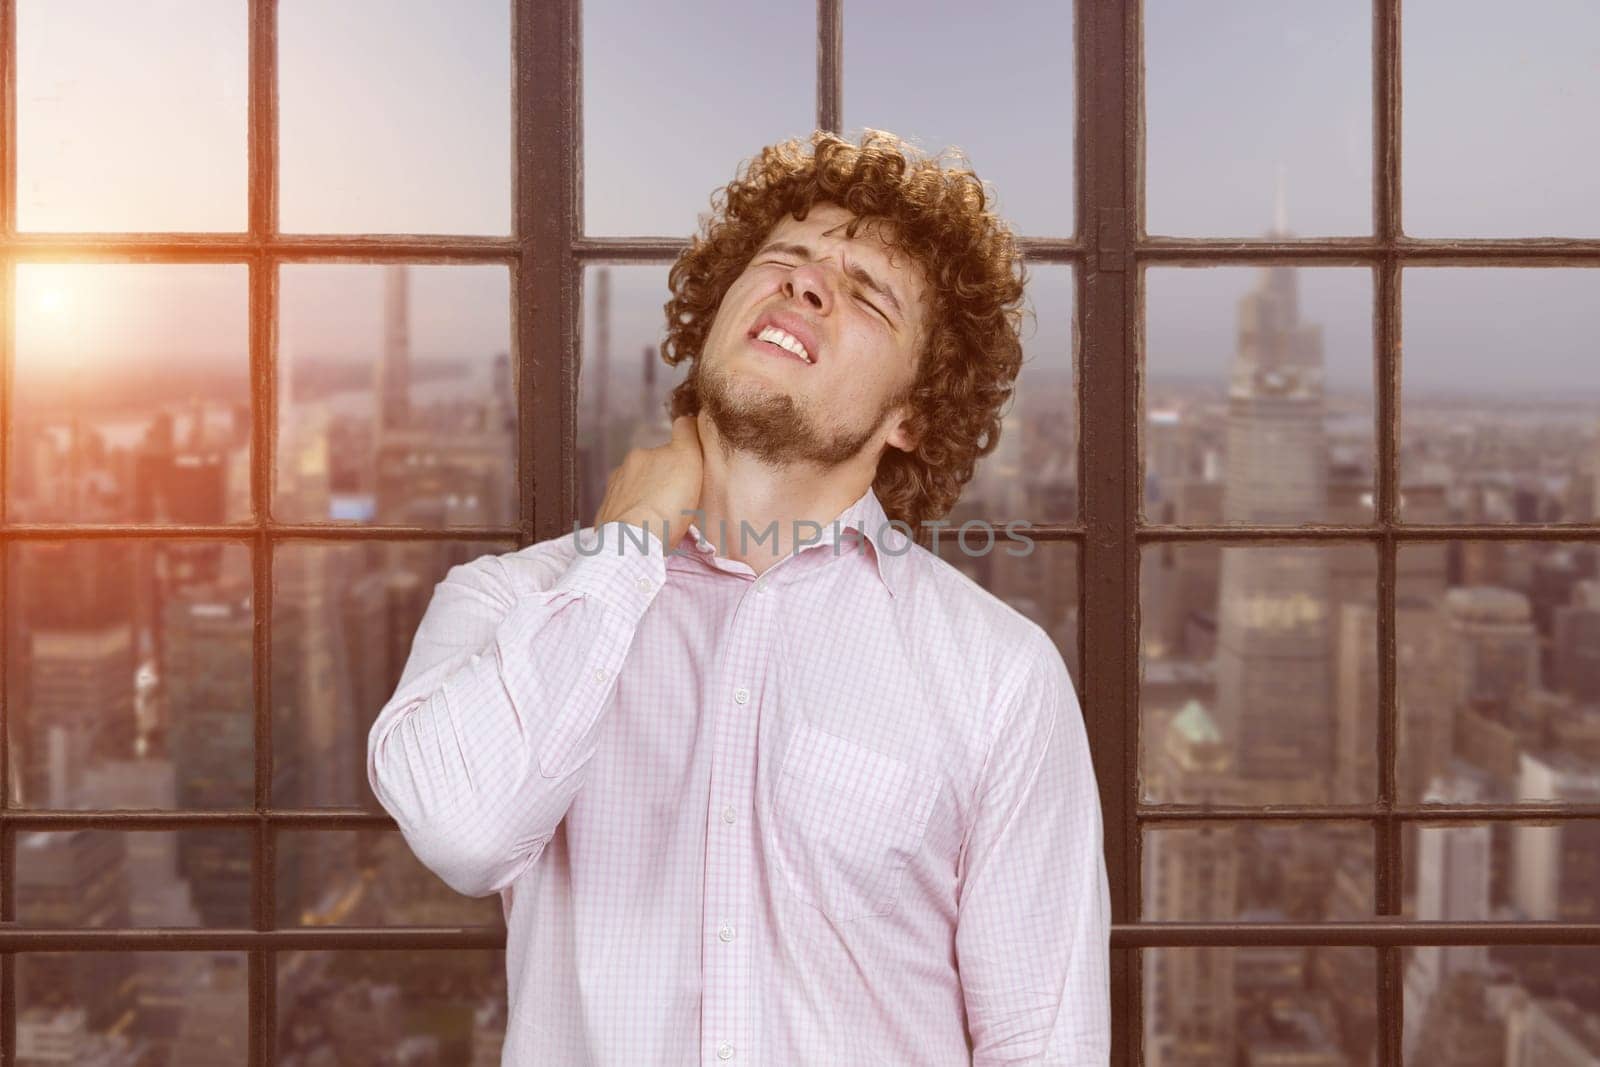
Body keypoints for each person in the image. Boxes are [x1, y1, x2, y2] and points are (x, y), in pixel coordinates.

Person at [367, 128, 1111, 1065]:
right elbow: (463, 832)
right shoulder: (506, 602)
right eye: (784, 259)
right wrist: (628, 542)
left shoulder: (999, 678)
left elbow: (1045, 1043)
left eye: (868, 294)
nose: (808, 285)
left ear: (913, 414)